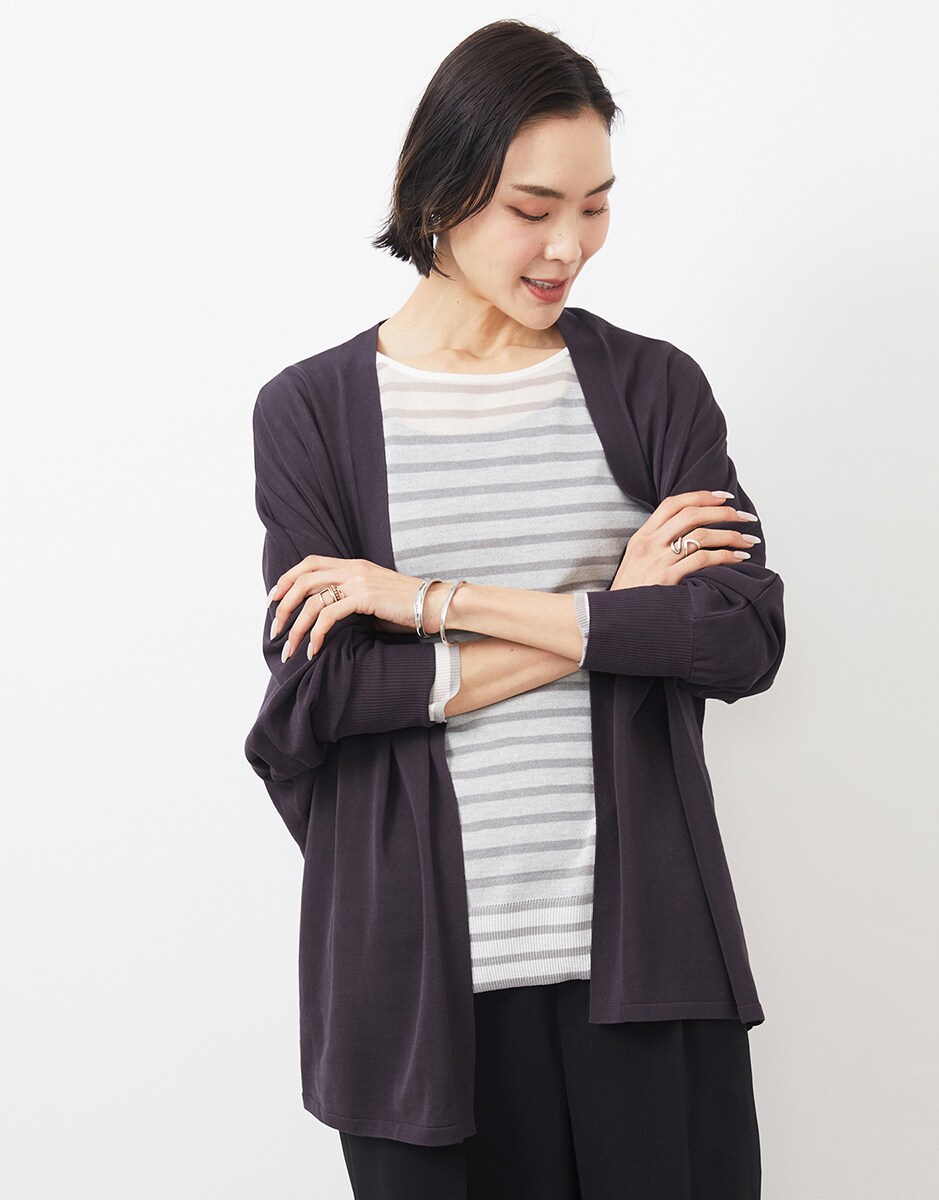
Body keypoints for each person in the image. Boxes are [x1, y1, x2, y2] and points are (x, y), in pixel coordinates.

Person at [245, 18, 785, 1200]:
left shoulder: (650, 389)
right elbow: (323, 696)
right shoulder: (312, 414)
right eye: (532, 208)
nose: (569, 245)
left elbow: (739, 637)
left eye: (595, 205)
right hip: (413, 987)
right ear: (441, 193)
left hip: (646, 968)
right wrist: (613, 612)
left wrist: (422, 603)